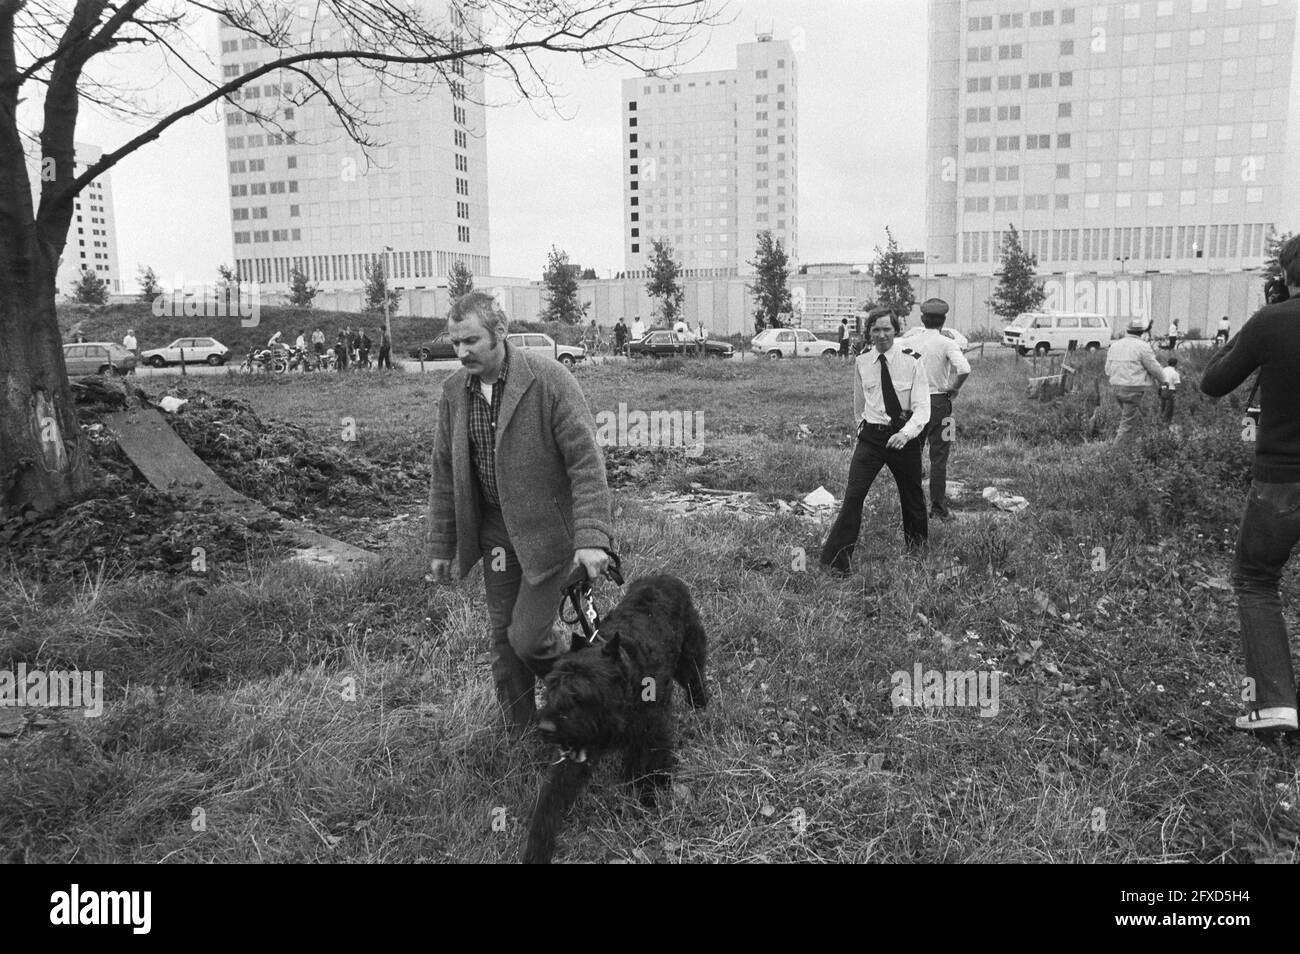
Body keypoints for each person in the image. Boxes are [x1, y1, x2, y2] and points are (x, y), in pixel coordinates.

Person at [427, 291, 614, 738]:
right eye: (455, 343)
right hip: (495, 536)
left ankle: (593, 685)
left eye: (471, 340)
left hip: (548, 534)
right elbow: (444, 473)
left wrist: (591, 536)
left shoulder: (549, 379)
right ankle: (522, 731)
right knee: (502, 638)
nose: (461, 352)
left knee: (527, 638)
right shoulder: (454, 393)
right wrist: (441, 544)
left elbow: (585, 461)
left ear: (501, 333)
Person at [1201, 233, 1300, 732]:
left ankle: (1275, 705)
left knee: (1257, 580)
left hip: (1281, 479)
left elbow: (1213, 381)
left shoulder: (1272, 321)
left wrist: (1260, 326)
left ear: (1285, 276)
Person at [820, 307, 931, 571]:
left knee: (912, 496)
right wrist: (863, 429)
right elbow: (859, 404)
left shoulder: (912, 360)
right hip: (871, 439)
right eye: (876, 330)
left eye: (887, 329)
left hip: (904, 437)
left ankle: (917, 555)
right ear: (869, 332)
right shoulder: (862, 361)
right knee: (853, 496)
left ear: (896, 330)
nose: (882, 335)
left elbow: (923, 407)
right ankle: (836, 564)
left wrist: (905, 434)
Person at [911, 298, 971, 521]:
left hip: (914, 405)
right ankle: (938, 508)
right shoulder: (947, 342)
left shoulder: (910, 342)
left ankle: (913, 506)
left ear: (922, 319)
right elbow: (964, 368)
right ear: (943, 321)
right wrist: (954, 388)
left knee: (912, 456)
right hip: (941, 405)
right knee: (940, 457)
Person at [1104, 317, 1165, 444]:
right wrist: (1164, 381)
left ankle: (1133, 445)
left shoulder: (1115, 345)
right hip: (1133, 390)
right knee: (1128, 423)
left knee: (1132, 419)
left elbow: (1107, 370)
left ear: (1127, 330)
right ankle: (1117, 452)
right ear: (1142, 332)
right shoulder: (1143, 347)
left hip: (1116, 388)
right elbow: (1154, 368)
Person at [1159, 357, 1180, 424]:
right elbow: (1177, 385)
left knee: (1162, 407)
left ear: (1168, 363)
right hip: (1170, 391)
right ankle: (1167, 423)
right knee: (1169, 409)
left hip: (1162, 390)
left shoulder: (1162, 370)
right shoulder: (1175, 373)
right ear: (1176, 364)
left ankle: (1160, 421)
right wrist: (1177, 394)